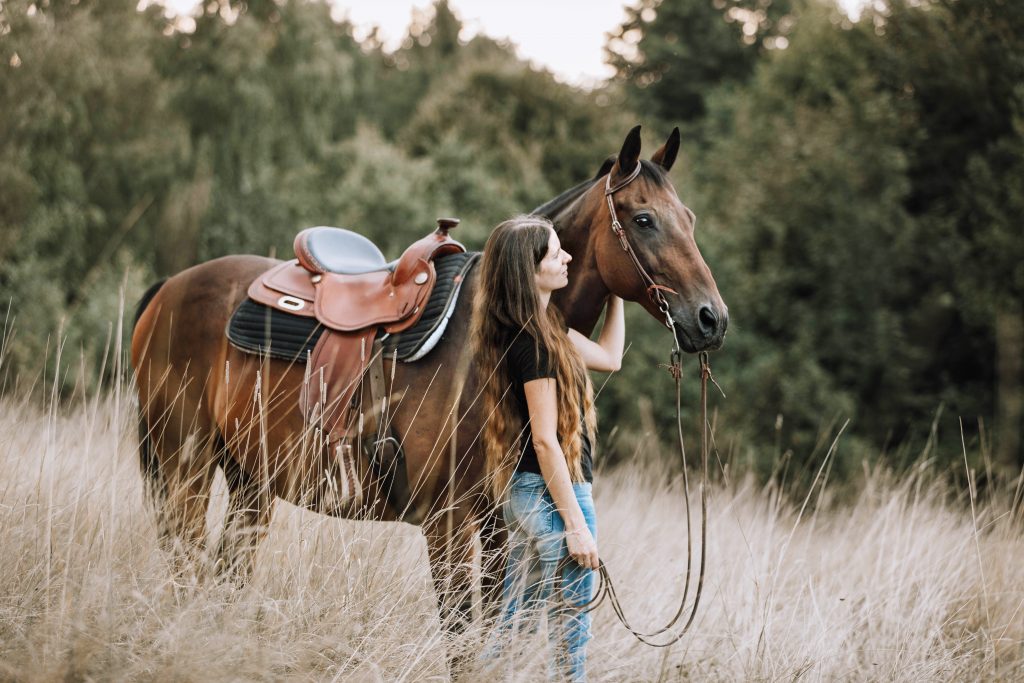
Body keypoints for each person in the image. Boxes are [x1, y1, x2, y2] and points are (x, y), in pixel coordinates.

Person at [471, 215, 625, 681]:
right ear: (528, 270)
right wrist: (577, 527)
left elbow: (611, 358)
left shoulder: (544, 329)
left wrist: (617, 292)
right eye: (555, 252)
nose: (567, 258)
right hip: (551, 489)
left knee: (517, 613)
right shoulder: (534, 343)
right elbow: (544, 439)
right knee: (570, 616)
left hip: (529, 490)